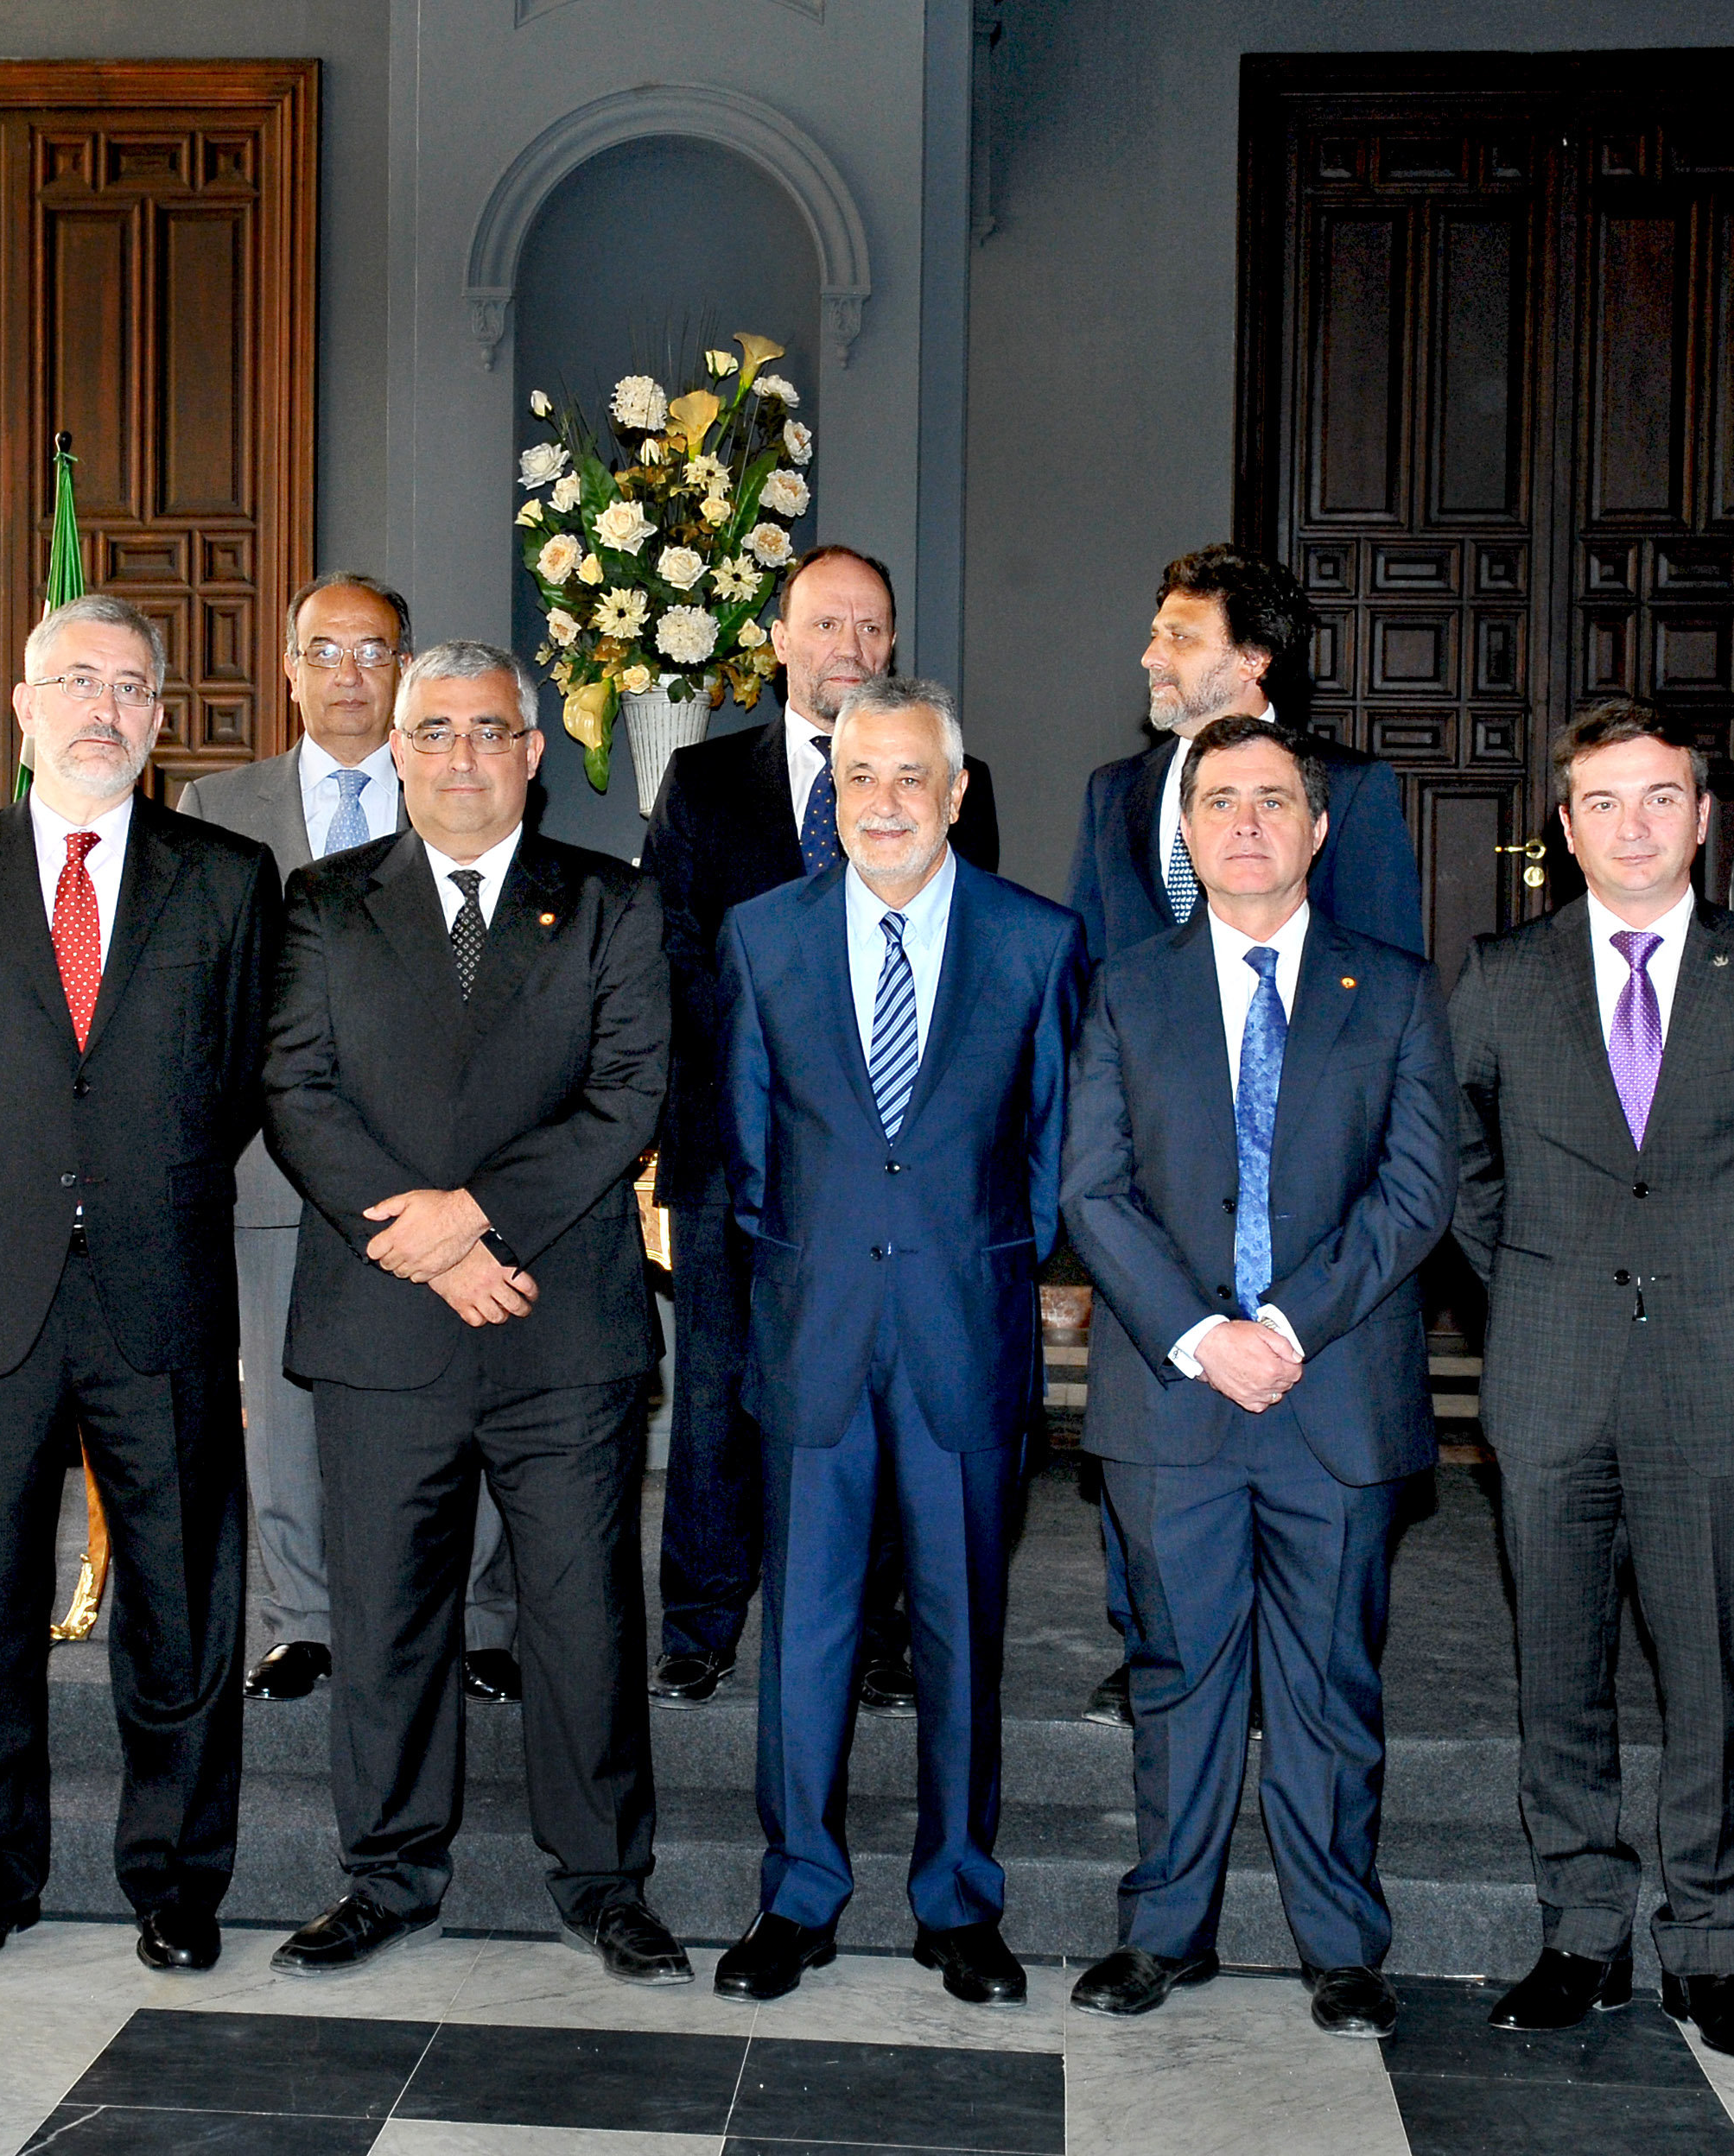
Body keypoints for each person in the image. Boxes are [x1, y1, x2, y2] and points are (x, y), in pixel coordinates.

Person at [262, 640, 684, 1985]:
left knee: (582, 1622)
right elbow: (295, 1091)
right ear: (397, 751)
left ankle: (606, 1884)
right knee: (386, 1620)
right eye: (434, 731)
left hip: (560, 1324)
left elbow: (628, 1093)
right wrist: (432, 1245)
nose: (462, 756)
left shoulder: (612, 903)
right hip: (385, 1320)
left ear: (532, 752)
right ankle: (386, 1877)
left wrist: (479, 1220)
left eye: (489, 730)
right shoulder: (323, 902)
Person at [1448, 701, 1734, 2064]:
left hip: (1716, 1370)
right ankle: (1582, 1934)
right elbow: (1461, 1167)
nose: (1634, 826)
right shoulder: (1502, 976)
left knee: (1714, 1681)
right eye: (1605, 803)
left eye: (1661, 798)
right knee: (1558, 1673)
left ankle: (1713, 1950)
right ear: (1566, 828)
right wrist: (1538, 1287)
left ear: (1704, 817)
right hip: (1551, 1371)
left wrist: (1732, 1285)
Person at [0, 593, 276, 1976]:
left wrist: (130, 1177)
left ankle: (176, 1881)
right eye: (77, 681)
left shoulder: (227, 878)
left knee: (182, 1599)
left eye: (129, 687)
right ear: (25, 706)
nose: (103, 709)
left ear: (159, 716)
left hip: (159, 1281)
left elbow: (240, 1073)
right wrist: (23, 1183)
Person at [1060, 716, 1451, 2034]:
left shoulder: (1393, 988)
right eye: (1219, 799)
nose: (1245, 822)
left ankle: (1341, 1947)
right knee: (1176, 1676)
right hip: (1173, 1396)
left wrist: (1285, 1324)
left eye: (1273, 800)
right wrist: (1201, 1334)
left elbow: (1417, 1192)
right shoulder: (1127, 989)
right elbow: (1092, 1190)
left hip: (1334, 1395)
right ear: (1187, 831)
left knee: (1330, 1684)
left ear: (1318, 828)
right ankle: (1164, 1934)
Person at [708, 678, 1084, 2007]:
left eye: (911, 777)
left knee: (961, 1636)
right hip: (814, 1339)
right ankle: (797, 1896)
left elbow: (1050, 1156)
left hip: (962, 1340)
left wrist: (970, 1267)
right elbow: (749, 1151)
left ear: (957, 794)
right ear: (833, 795)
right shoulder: (763, 936)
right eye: (858, 777)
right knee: (803, 1637)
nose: (883, 802)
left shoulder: (1036, 942)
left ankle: (958, 1902)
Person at [1067, 544, 1426, 1728]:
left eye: (1179, 635)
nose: (1151, 655)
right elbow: (1088, 971)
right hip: (1157, 1185)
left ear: (1253, 658)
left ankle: (1286, 1657)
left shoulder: (1348, 792)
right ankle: (1157, 1643)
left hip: (1308, 1198)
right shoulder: (1115, 792)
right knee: (1157, 1454)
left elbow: (1381, 983)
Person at [638, 546, 994, 1715]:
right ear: (779, 641)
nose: (853, 647)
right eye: (829, 624)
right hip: (728, 1144)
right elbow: (670, 955)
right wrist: (776, 1064)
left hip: (888, 1163)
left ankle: (885, 1637)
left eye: (874, 627)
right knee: (716, 1392)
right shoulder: (701, 780)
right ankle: (700, 1625)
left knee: (885, 1390)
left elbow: (964, 960)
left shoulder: (957, 782)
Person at [177, 572, 520, 1707]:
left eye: (373, 652)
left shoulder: (457, 783)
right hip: (276, 1161)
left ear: (404, 668)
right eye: (323, 652)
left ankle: (475, 1617)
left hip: (443, 1168)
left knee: (464, 1385)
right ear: (288, 670)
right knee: (283, 1408)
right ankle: (304, 1619)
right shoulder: (217, 805)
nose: (348, 675)